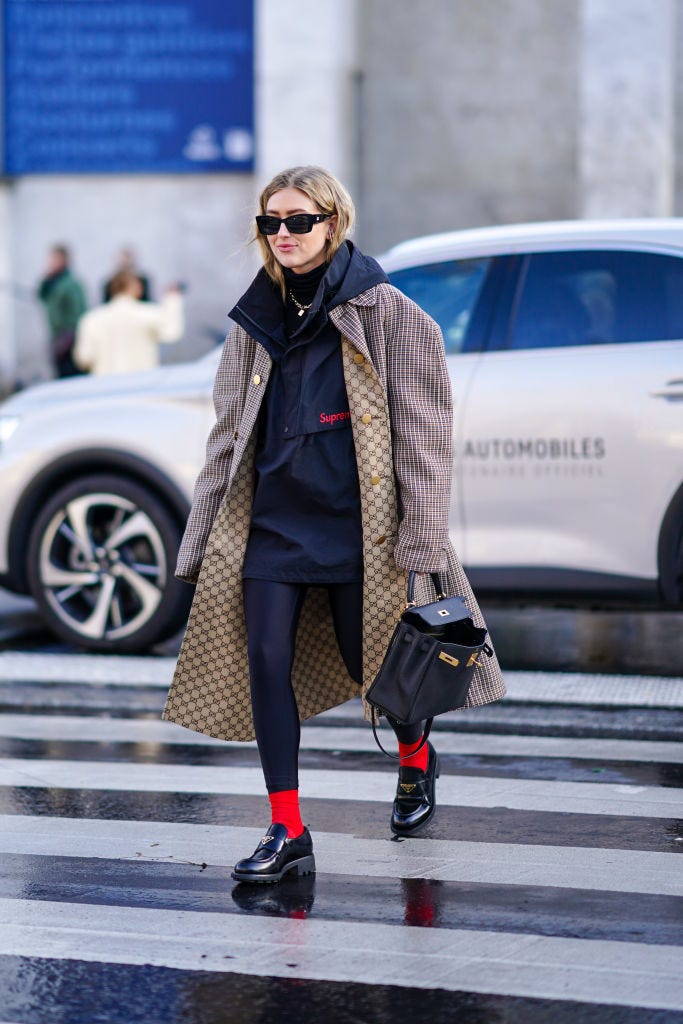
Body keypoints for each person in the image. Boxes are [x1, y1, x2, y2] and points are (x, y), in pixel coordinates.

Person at [162, 165, 505, 884]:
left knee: (377, 669)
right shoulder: (253, 320)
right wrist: (199, 535)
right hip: (270, 524)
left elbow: (424, 436)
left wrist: (421, 534)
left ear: (333, 222)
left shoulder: (391, 316)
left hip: (359, 528)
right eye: (270, 223)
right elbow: (226, 437)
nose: (282, 235)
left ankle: (415, 759)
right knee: (263, 661)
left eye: (298, 220)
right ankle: (287, 830)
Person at [73, 271, 184, 376]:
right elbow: (172, 332)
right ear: (136, 288)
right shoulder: (147, 314)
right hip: (140, 385)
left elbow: (84, 358)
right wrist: (172, 298)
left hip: (104, 387)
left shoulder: (91, 319)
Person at [37, 244, 88, 378]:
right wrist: (47, 278)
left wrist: (70, 335)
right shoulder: (54, 282)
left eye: (55, 259)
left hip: (69, 341)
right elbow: (41, 295)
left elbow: (79, 312)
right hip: (57, 338)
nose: (51, 262)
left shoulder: (71, 283)